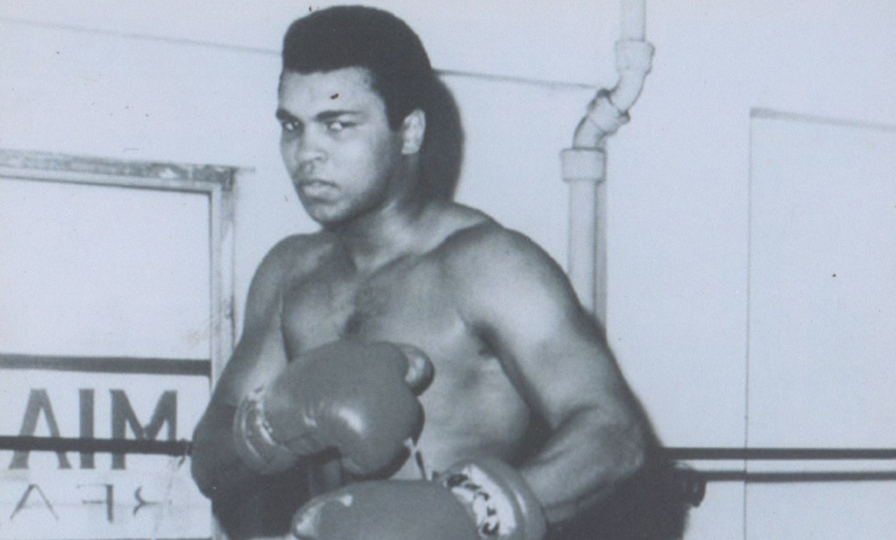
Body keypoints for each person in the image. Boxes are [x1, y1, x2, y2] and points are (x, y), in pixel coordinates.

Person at [191, 6, 676, 540]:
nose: (307, 153)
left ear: (410, 132)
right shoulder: (289, 272)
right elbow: (211, 460)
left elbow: (614, 436)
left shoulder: (488, 265)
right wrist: (272, 424)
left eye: (338, 125)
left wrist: (462, 514)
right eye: (292, 127)